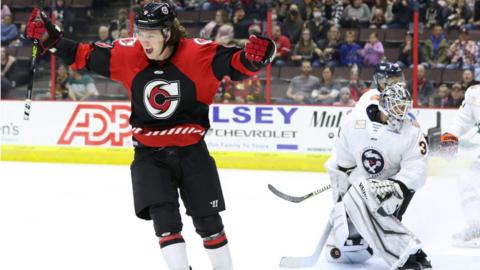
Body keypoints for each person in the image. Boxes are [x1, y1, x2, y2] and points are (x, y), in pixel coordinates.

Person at [26, 1, 276, 269]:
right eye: (140, 33)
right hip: (148, 155)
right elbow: (82, 55)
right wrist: (49, 39)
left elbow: (239, 65)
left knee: (209, 222)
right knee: (165, 224)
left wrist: (258, 56)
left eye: (151, 34)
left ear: (168, 32)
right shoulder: (128, 54)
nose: (143, 40)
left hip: (192, 152)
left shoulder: (199, 54)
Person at [324, 82, 432, 270]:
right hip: (363, 185)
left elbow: (417, 169)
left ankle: (404, 253)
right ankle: (409, 250)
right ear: (385, 105)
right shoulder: (354, 122)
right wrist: (343, 193)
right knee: (344, 250)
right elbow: (343, 161)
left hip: (396, 189)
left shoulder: (412, 132)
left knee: (363, 197)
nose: (402, 111)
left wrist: (396, 186)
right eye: (397, 106)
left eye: (405, 106)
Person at [440, 84, 480, 248]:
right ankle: (476, 227)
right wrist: (452, 134)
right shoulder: (475, 95)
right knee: (467, 179)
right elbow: (463, 118)